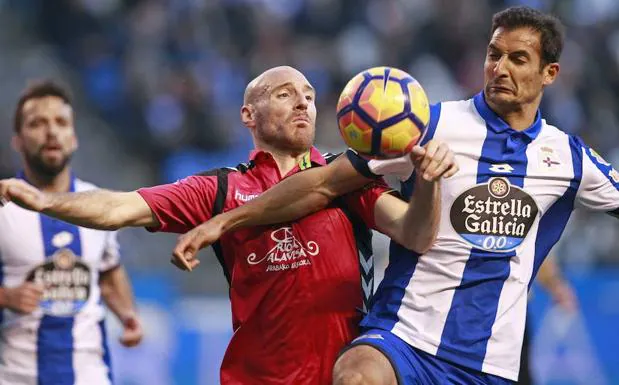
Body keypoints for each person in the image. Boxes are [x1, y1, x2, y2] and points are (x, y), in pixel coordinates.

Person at [168, 6, 619, 385]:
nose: (500, 68)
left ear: (549, 73)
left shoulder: (569, 159)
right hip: (402, 334)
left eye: (518, 59)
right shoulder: (426, 124)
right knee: (355, 374)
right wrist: (223, 221)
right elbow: (323, 181)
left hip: (489, 359)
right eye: (493, 54)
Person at [0, 67, 458, 384]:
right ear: (248, 115)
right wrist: (45, 201)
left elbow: (416, 234)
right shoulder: (221, 189)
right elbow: (120, 208)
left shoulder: (346, 178)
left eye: (309, 95)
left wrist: (430, 185)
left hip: (341, 374)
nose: (302, 101)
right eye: (284, 94)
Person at [0, 80, 143, 385]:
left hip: (89, 375)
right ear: (18, 141)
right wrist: (5, 296)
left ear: (74, 137)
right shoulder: (3, 206)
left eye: (61, 122)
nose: (51, 132)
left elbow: (108, 270)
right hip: (14, 375)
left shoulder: (99, 204)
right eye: (37, 123)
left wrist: (128, 316)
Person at [518, 256, 577, 385]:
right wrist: (557, 286)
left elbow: (534, 249)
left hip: (513, 311)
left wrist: (556, 286)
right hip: (502, 311)